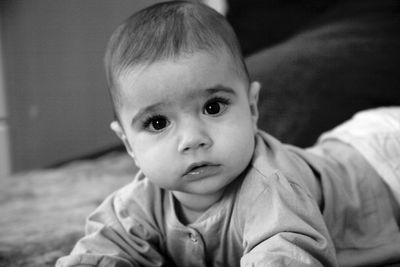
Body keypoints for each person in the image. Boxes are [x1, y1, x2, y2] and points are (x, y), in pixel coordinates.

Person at [56, 1, 400, 266]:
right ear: (128, 143)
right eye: (158, 123)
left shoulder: (272, 189)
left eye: (213, 107)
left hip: (381, 158)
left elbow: (285, 255)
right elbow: (101, 249)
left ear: (252, 108)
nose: (192, 138)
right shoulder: (138, 205)